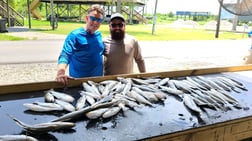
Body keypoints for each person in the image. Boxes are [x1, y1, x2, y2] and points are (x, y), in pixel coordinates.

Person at [56, 4, 105, 85]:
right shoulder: (75, 35)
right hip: (79, 81)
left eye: (99, 20)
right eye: (93, 18)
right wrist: (60, 73)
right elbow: (65, 55)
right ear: (87, 18)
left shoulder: (98, 35)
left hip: (97, 81)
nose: (96, 22)